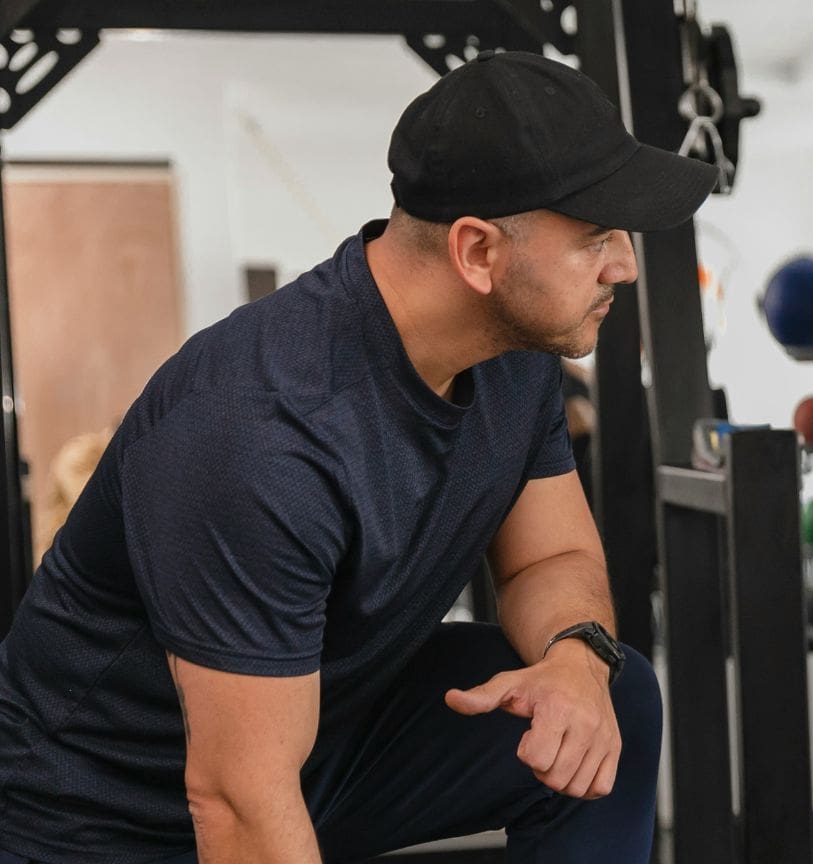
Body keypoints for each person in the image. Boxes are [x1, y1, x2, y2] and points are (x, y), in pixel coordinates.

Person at [0, 51, 716, 864]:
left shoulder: (516, 357)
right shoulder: (258, 432)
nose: (623, 264)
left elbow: (549, 556)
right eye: (596, 238)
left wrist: (576, 656)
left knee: (612, 695)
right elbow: (235, 803)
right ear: (478, 253)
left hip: (320, 743)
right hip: (104, 816)